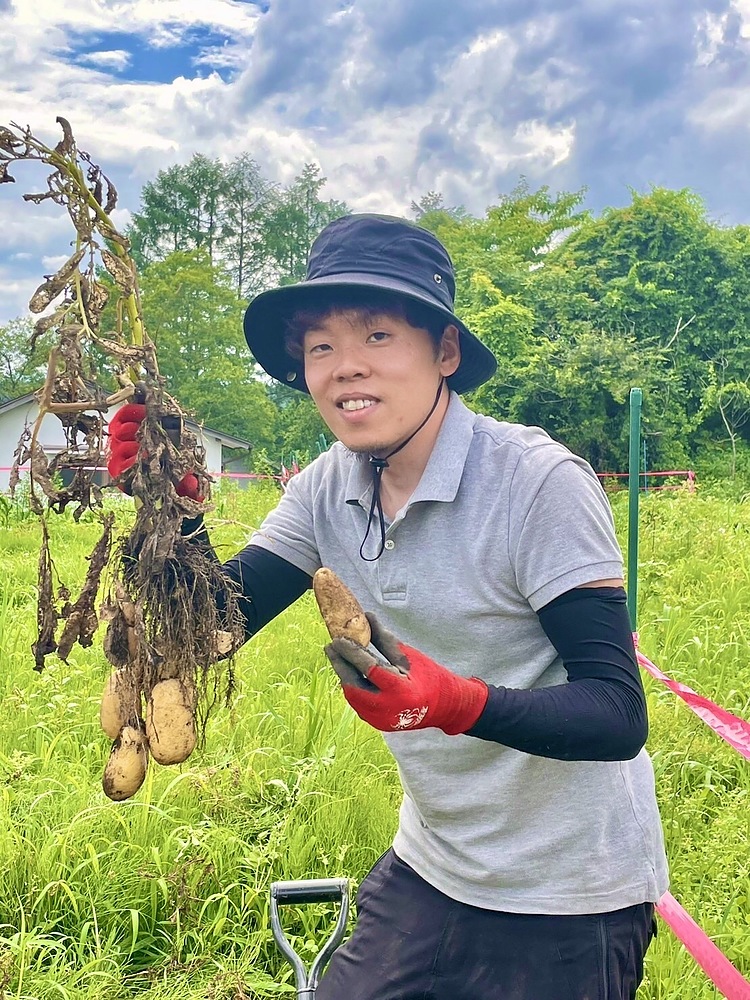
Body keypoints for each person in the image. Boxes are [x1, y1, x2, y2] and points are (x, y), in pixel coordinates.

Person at [108, 213, 668, 1000]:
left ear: (444, 352)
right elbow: (213, 630)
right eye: (321, 347)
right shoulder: (325, 488)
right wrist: (174, 510)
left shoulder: (536, 483)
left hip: (571, 890)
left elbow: (617, 714)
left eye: (376, 335)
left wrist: (453, 703)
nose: (343, 368)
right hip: (435, 864)